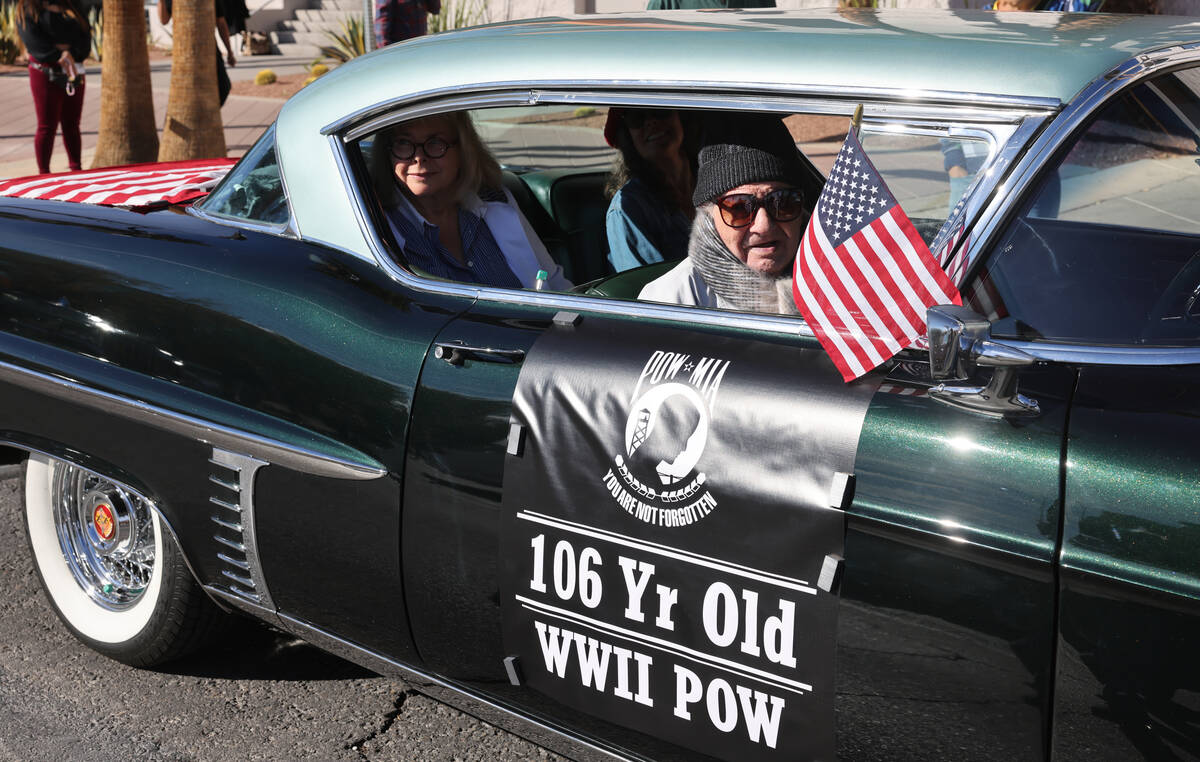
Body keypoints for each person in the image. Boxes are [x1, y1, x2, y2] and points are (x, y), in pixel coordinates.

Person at [376, 112, 570, 290]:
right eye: (403, 143)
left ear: (463, 150)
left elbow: (553, 282)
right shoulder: (377, 224)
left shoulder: (494, 198)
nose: (419, 158)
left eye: (435, 142)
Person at [640, 113, 809, 314]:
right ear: (709, 217)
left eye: (783, 202)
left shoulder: (835, 282)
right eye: (739, 207)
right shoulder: (670, 301)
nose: (764, 225)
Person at [603, 108, 695, 273]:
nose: (651, 122)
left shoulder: (717, 177)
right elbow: (647, 290)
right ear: (627, 135)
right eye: (636, 117)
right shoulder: (627, 209)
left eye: (659, 110)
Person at [16, 0, 89, 174]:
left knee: (72, 124)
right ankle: (43, 174)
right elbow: (34, 43)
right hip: (44, 73)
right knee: (47, 126)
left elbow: (85, 37)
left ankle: (76, 170)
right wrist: (60, 53)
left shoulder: (73, 5)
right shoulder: (27, 8)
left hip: (74, 71)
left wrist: (70, 53)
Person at [158, 0, 237, 106]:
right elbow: (164, 20)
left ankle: (209, 114)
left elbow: (221, 23)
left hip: (209, 47)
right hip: (185, 51)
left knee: (224, 86)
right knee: (191, 90)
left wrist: (229, 52)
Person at [374, 0, 440, 48]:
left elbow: (435, 9)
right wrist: (389, 55)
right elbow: (381, 32)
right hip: (400, 51)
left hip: (420, 47)